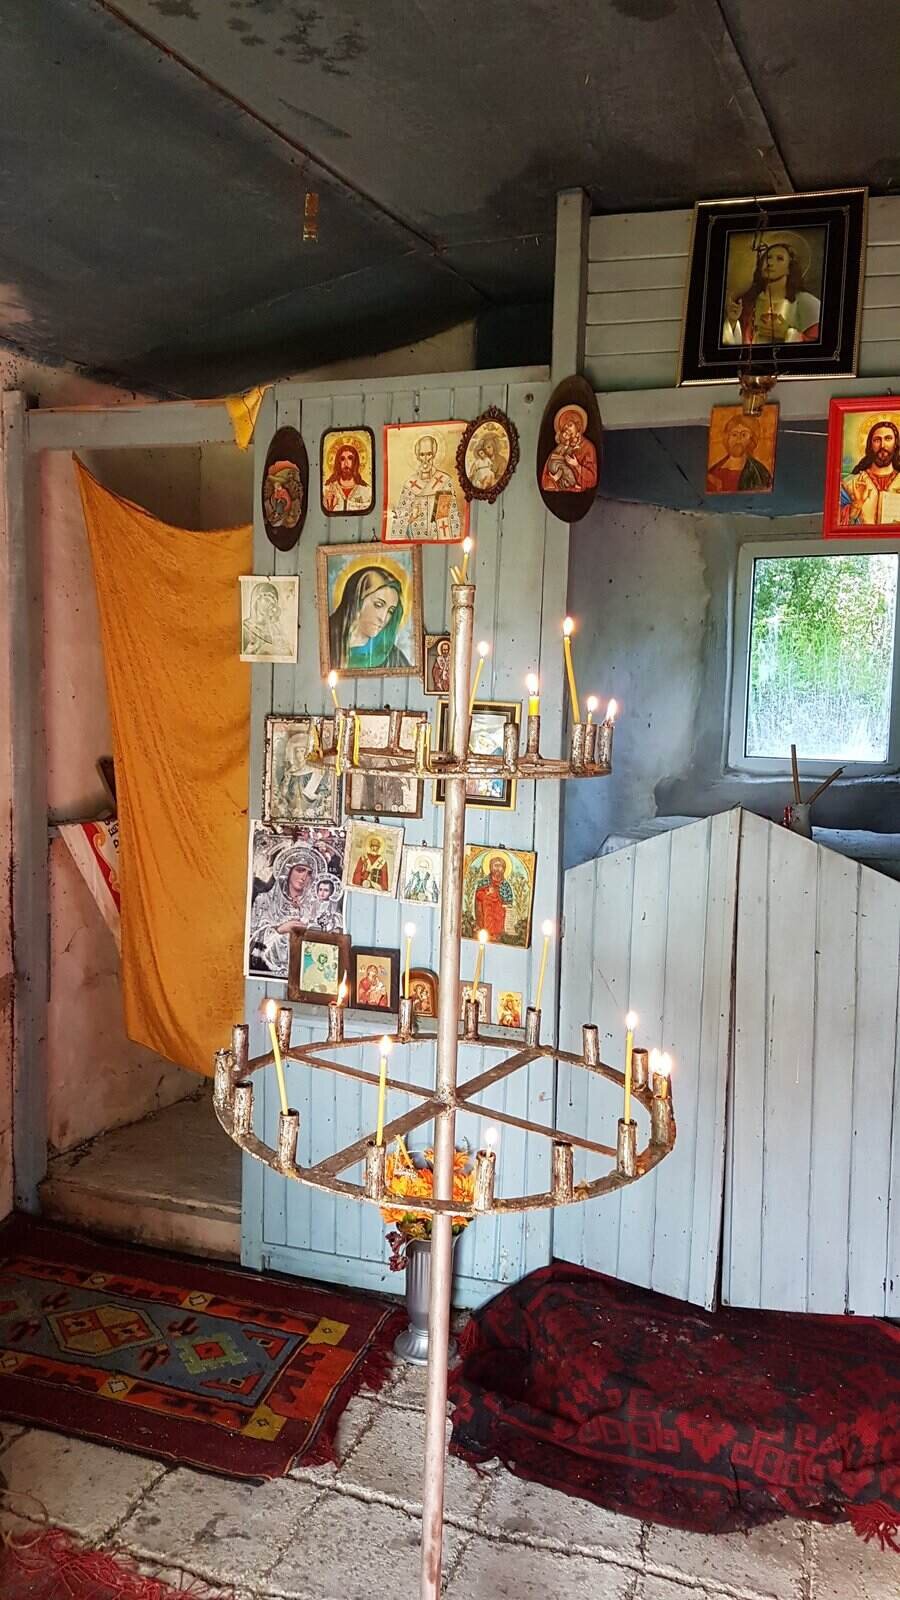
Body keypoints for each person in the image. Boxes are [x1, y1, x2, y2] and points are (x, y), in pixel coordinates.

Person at [722, 237, 820, 346]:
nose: (770, 263)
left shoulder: (807, 303)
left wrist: (788, 334)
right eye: (768, 257)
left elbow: (819, 347)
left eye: (779, 258)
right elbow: (734, 347)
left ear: (789, 268)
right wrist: (732, 322)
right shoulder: (748, 302)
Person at [248, 851, 321, 977]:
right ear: (288, 871)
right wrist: (281, 929)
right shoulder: (265, 900)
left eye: (309, 873)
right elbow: (252, 939)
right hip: (267, 968)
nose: (304, 877)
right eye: (300, 870)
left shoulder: (315, 906)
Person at [328, 564, 410, 671]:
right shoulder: (327, 643)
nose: (383, 619)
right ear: (356, 600)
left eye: (390, 611)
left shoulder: (393, 658)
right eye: (378, 605)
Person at [390, 434, 461, 541]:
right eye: (422, 455)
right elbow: (400, 519)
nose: (426, 459)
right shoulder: (410, 484)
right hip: (415, 539)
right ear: (417, 456)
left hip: (438, 538)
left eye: (429, 454)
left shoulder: (444, 481)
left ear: (434, 454)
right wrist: (412, 516)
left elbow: (452, 515)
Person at [839, 421, 900, 527]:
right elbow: (837, 524)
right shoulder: (850, 484)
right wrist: (856, 505)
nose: (882, 445)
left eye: (888, 438)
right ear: (870, 445)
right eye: (877, 440)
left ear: (896, 444)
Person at [706, 414, 773, 494]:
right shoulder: (714, 471)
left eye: (744, 434)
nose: (738, 439)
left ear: (751, 440)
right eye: (734, 434)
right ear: (727, 438)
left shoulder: (759, 473)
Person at [540, 406, 598, 494]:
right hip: (557, 496)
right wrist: (554, 478)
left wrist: (577, 465)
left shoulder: (588, 447)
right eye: (565, 427)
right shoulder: (560, 448)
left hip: (580, 496)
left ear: (578, 426)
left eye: (570, 425)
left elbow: (592, 480)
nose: (568, 429)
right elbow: (545, 480)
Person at [242, 581, 293, 658]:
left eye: (274, 601)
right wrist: (248, 652)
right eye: (267, 599)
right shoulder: (244, 627)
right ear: (256, 600)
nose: (271, 604)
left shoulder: (275, 628)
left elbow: (288, 654)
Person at [323, 441, 371, 513]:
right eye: (342, 459)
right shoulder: (326, 490)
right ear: (338, 463)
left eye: (350, 458)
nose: (346, 463)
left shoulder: (366, 492)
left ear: (355, 462)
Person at [473, 855, 513, 940]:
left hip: (499, 911)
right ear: (491, 867)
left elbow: (509, 900)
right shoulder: (484, 882)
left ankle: (497, 934)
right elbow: (478, 896)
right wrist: (487, 893)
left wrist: (503, 902)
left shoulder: (506, 885)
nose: (498, 869)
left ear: (504, 869)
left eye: (500, 866)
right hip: (486, 910)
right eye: (496, 866)